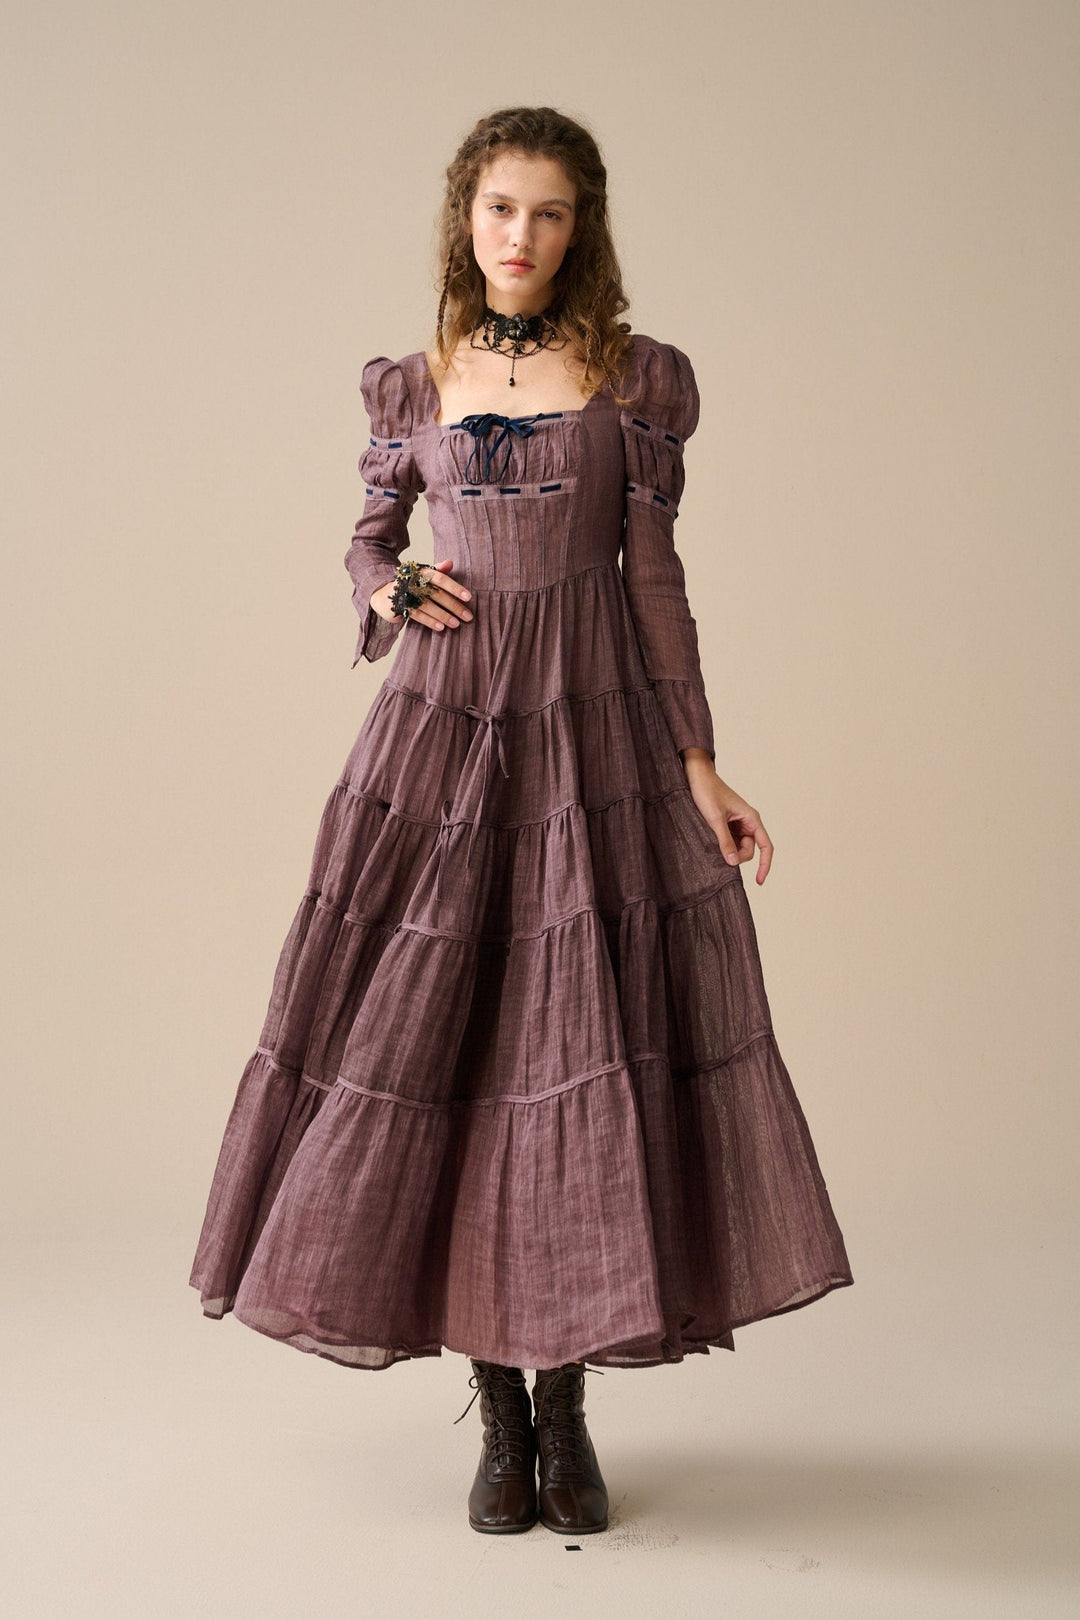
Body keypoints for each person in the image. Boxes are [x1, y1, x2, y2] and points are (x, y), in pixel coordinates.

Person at [189, 105, 854, 1538]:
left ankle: (566, 1413)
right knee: (451, 1050)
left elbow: (654, 582)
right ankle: (497, 1418)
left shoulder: (634, 380)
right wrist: (385, 589)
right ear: (466, 216)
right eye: (501, 207)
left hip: (589, 742)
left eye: (550, 212)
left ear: (580, 229)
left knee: (576, 1057)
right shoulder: (414, 381)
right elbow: (370, 540)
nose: (521, 234)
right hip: (442, 745)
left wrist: (698, 761)